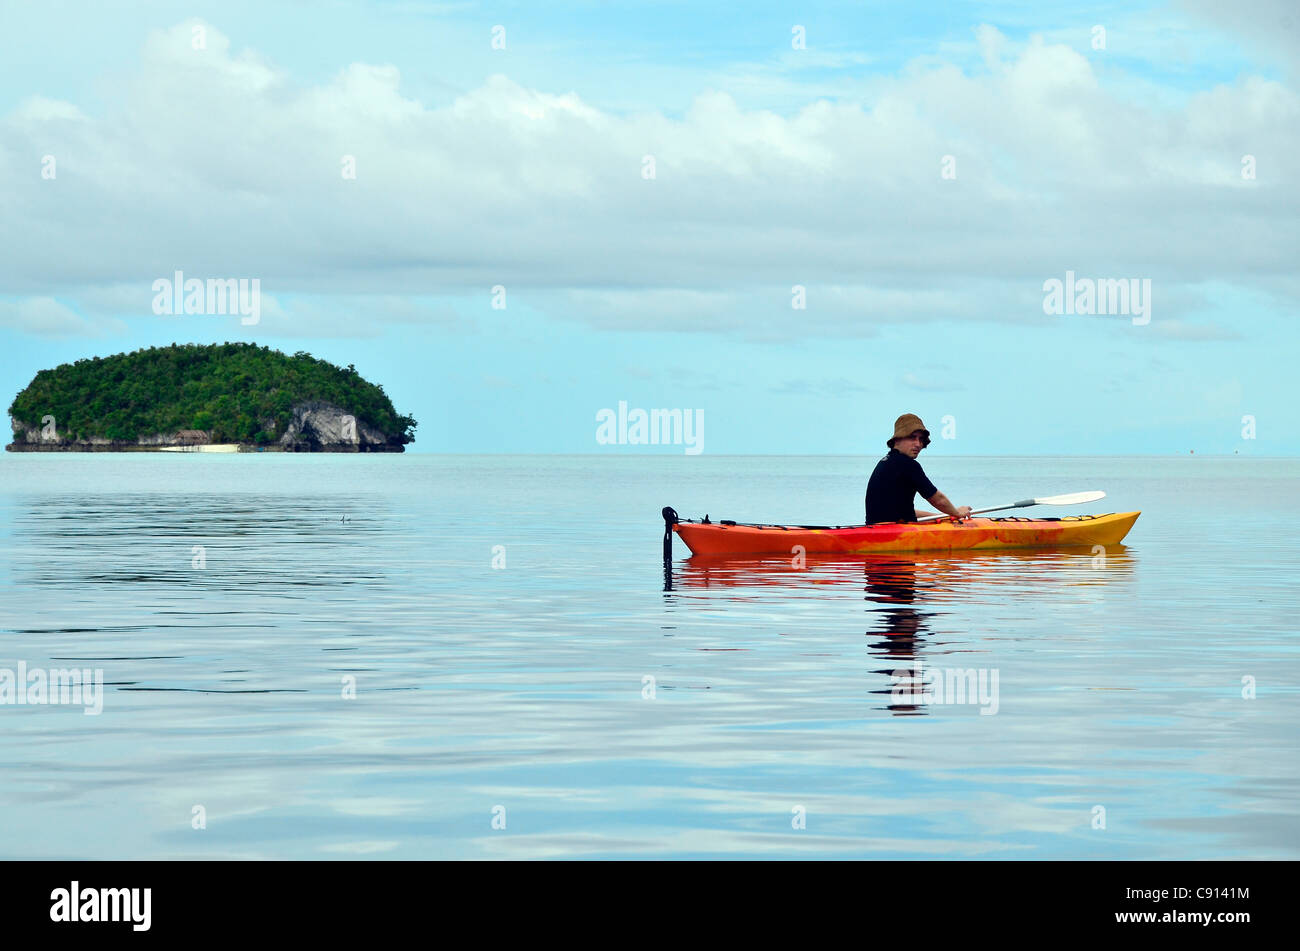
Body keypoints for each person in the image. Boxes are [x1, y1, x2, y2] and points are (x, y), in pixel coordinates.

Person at [864, 414, 972, 524]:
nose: (918, 444)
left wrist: (942, 516)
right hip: (895, 535)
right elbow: (938, 500)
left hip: (874, 530)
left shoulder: (885, 463)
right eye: (912, 438)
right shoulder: (908, 465)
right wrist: (957, 513)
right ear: (897, 440)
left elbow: (900, 511)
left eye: (921, 439)